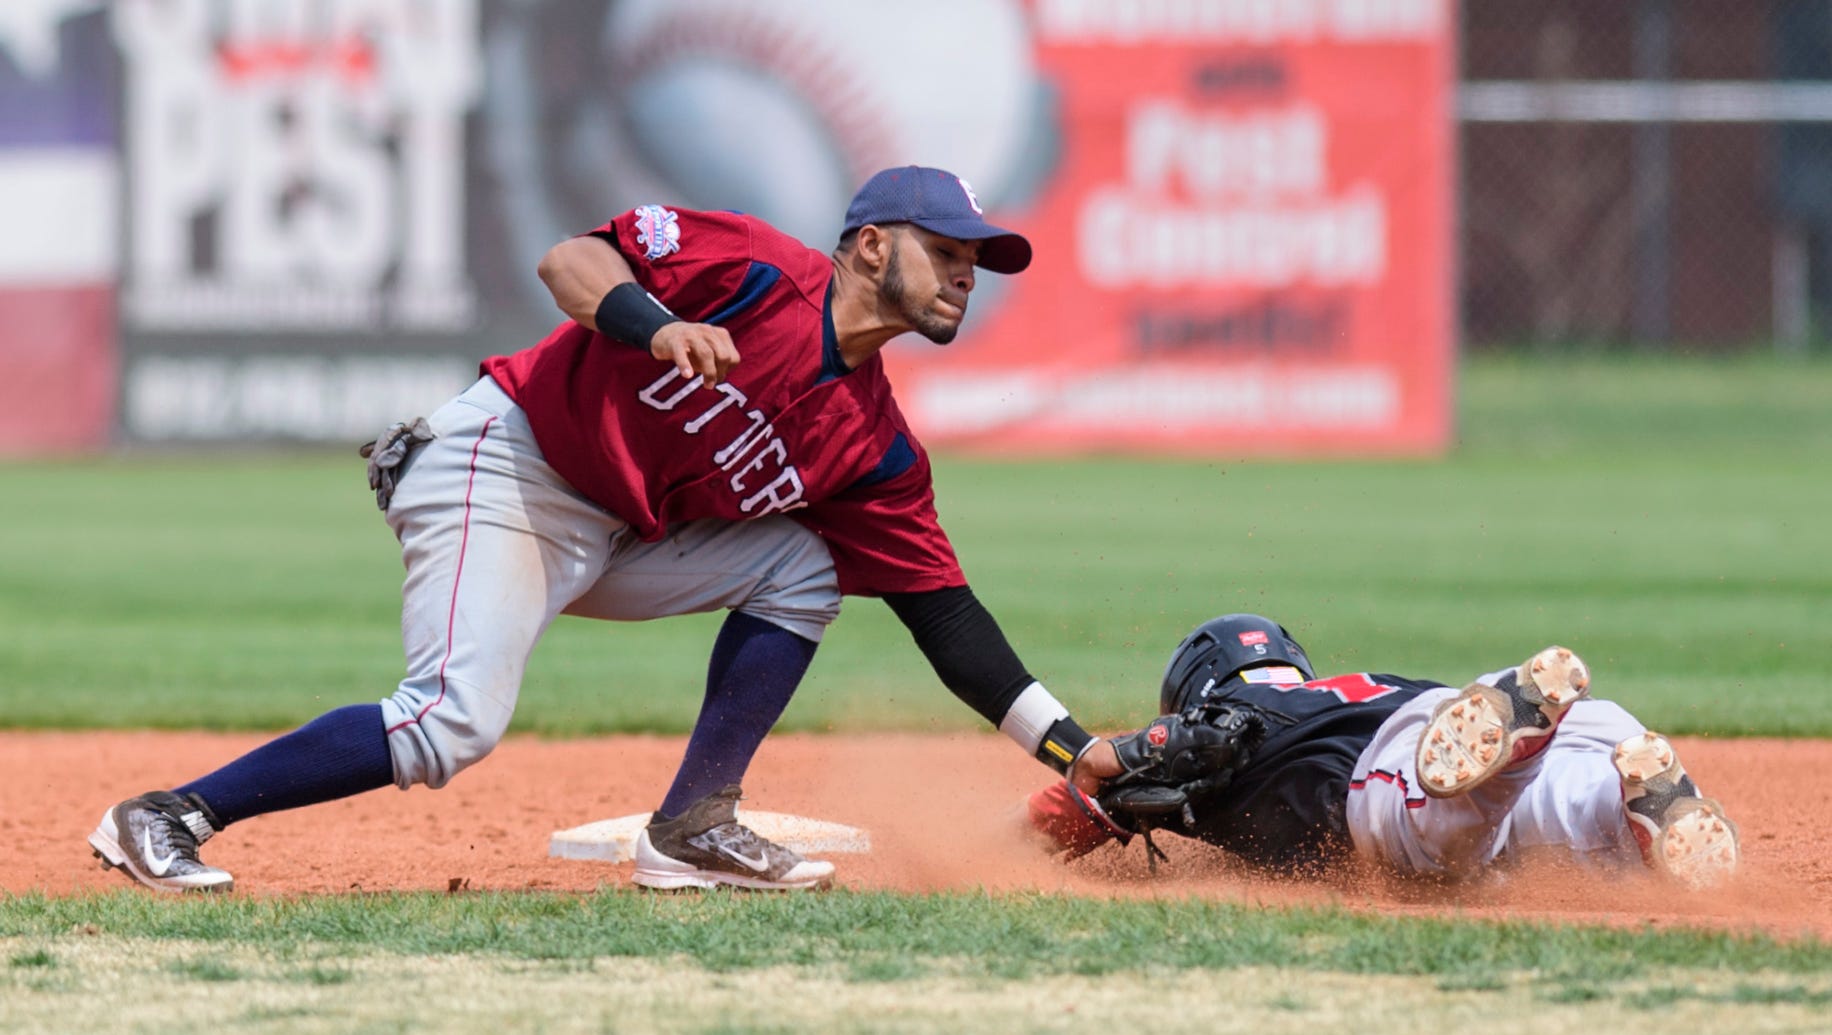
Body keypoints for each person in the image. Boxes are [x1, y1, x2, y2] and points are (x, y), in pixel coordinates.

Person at [89, 165, 1123, 893]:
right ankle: (169, 815)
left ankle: (691, 829)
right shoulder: (754, 269)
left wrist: (1072, 750)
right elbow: (568, 263)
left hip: (616, 535)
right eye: (945, 251)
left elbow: (945, 618)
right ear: (867, 246)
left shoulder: (875, 446)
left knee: (806, 566)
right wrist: (655, 323)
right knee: (451, 723)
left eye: (974, 261)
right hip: (508, 464)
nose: (962, 275)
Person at [1026, 614, 1740, 889]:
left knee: (1428, 833)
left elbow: (1196, 742)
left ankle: (1516, 742)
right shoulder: (1352, 686)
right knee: (1546, 815)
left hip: (1390, 771)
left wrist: (1104, 765)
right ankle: (1630, 800)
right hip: (1431, 707)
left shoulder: (1236, 711)